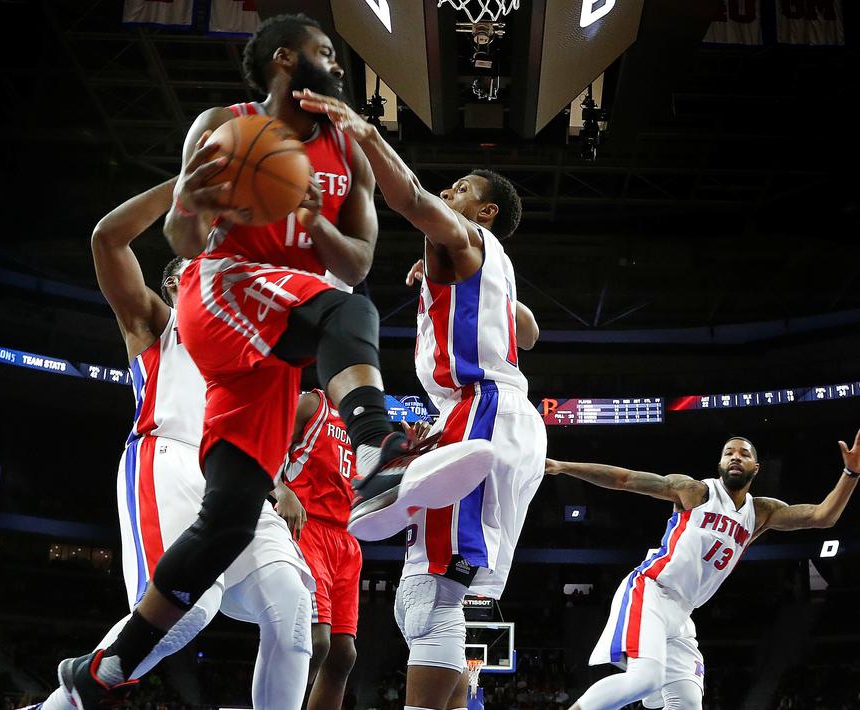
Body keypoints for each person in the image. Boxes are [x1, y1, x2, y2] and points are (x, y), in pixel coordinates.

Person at [57, 13, 492, 706]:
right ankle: (378, 446)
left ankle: (107, 667)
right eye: (327, 53)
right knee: (351, 313)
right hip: (225, 291)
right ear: (285, 59)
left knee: (227, 516)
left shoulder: (347, 150)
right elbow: (182, 234)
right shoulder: (223, 124)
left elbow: (355, 260)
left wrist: (305, 211)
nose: (340, 66)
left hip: (279, 338)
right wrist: (192, 202)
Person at [297, 90, 545, 710]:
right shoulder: (494, 267)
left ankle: (383, 471)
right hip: (507, 418)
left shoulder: (463, 237)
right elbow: (530, 331)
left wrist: (364, 134)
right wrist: (444, 286)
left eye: (461, 188)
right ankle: (391, 477)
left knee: (429, 595)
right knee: (434, 596)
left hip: (478, 409)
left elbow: (407, 197)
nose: (449, 192)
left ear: (483, 212)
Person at [41, 180, 315, 709]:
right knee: (187, 610)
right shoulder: (155, 324)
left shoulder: (248, 344)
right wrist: (189, 181)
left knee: (293, 606)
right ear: (173, 285)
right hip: (166, 459)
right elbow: (107, 239)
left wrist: (279, 483)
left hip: (239, 481)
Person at [547, 430, 860, 710]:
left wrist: (851, 474)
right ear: (720, 464)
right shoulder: (696, 491)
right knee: (645, 679)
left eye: (743, 453)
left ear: (756, 467)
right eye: (728, 452)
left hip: (681, 614)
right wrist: (563, 466)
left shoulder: (760, 512)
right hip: (651, 590)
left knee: (688, 702)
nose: (735, 457)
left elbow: (822, 516)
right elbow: (624, 479)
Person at [275, 390, 360, 710]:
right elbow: (263, 445)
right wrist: (281, 490)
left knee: (342, 654)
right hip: (308, 528)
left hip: (347, 540)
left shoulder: (364, 425)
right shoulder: (313, 404)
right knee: (316, 641)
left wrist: (405, 453)